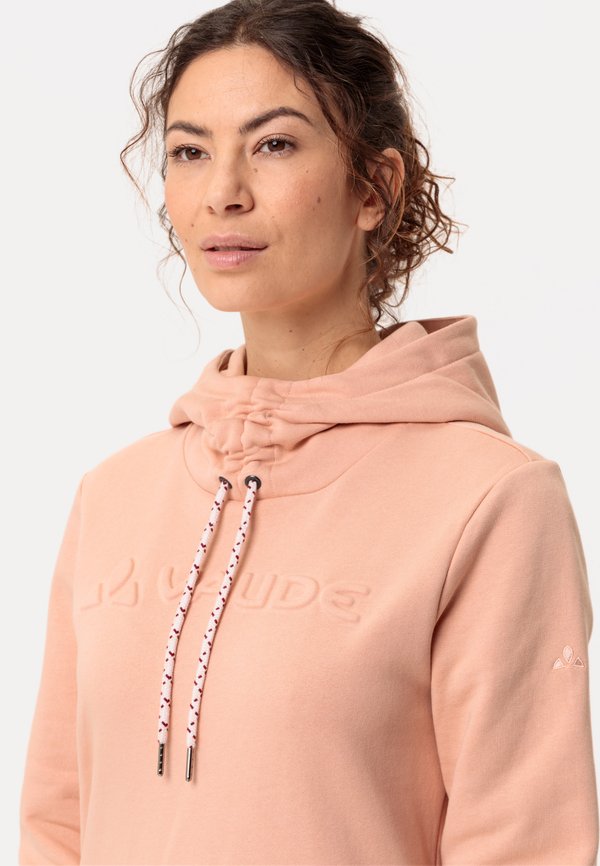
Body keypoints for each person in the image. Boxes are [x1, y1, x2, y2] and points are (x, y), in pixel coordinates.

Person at [18, 0, 599, 864]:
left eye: (274, 145)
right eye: (189, 151)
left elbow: (526, 844)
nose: (223, 192)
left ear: (375, 189)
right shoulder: (113, 496)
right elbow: (56, 825)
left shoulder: (489, 499)